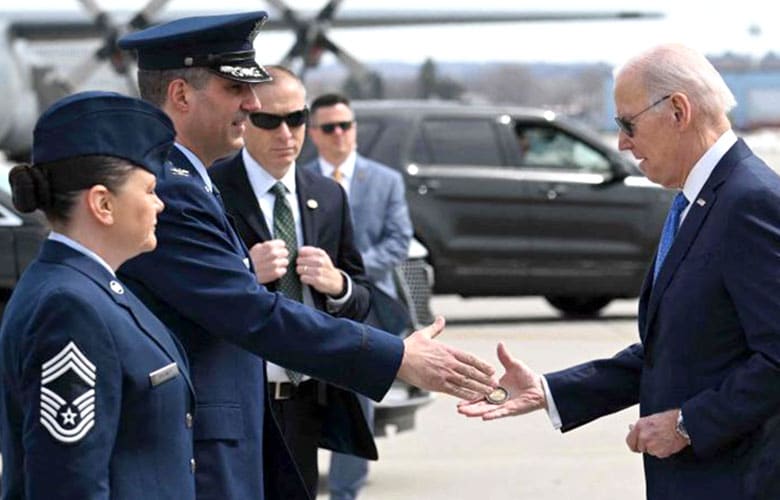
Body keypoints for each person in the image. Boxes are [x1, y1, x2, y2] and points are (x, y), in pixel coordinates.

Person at [116, 12, 496, 500]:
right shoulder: (172, 191)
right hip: (205, 446)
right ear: (182, 95)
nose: (252, 103)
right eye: (237, 89)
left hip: (271, 420)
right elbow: (250, 313)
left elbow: (344, 283)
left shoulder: (194, 181)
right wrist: (396, 355)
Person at [459, 43, 780, 500]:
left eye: (627, 124)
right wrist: (550, 391)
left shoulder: (750, 201)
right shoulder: (700, 198)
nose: (622, 144)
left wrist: (689, 425)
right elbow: (670, 350)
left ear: (677, 111)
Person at [0, 91, 196, 499]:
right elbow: (69, 483)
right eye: (148, 190)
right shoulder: (69, 306)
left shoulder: (91, 288)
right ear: (103, 204)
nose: (160, 204)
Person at [210, 66, 376, 497]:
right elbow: (191, 293)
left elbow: (361, 296)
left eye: (297, 118)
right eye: (269, 120)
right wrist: (245, 272)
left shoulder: (328, 194)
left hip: (305, 400)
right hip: (238, 400)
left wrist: (336, 284)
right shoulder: (211, 189)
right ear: (245, 119)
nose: (286, 133)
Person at [304, 92, 414, 500]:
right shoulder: (300, 180)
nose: (339, 135)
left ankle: (345, 492)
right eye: (329, 128)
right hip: (308, 306)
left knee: (357, 403)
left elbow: (398, 241)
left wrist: (345, 276)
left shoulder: (386, 181)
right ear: (313, 133)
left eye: (346, 126)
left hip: (366, 307)